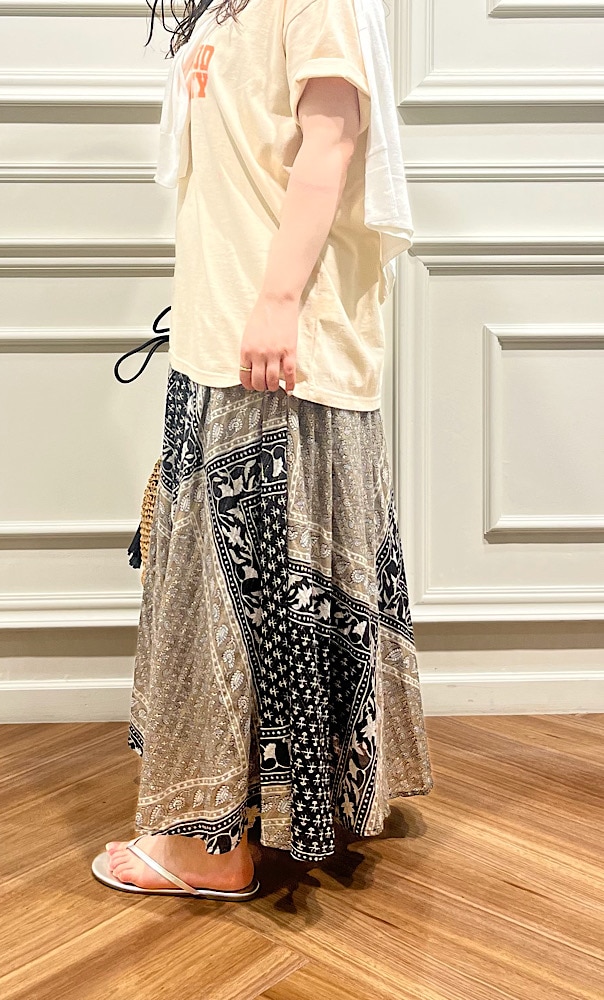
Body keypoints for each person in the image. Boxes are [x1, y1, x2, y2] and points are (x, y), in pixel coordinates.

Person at [93, 0, 434, 900]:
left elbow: (332, 136)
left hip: (277, 348)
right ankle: (288, 804)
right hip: (224, 338)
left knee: (245, 590)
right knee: (237, 588)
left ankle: (209, 846)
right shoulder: (223, 7)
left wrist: (277, 302)